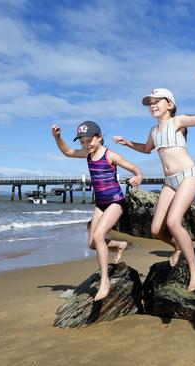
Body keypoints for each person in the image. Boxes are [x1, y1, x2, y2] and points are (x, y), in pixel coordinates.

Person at [113, 71, 195, 292]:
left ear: (170, 104)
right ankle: (178, 246)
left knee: (173, 222)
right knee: (157, 229)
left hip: (188, 176)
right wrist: (127, 143)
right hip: (170, 181)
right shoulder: (154, 131)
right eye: (149, 103)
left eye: (156, 101)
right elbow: (147, 149)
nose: (151, 105)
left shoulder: (178, 121)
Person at [52, 120, 143, 301]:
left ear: (99, 137)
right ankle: (119, 245)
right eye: (82, 141)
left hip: (116, 202)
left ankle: (104, 281)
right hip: (100, 204)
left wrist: (138, 176)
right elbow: (67, 152)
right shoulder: (87, 154)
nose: (86, 145)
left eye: (89, 140)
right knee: (93, 244)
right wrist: (58, 137)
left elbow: (133, 167)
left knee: (99, 236)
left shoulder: (110, 155)